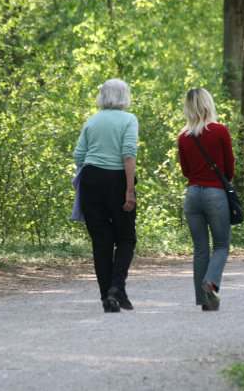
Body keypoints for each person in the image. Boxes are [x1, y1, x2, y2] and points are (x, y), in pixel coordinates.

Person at [74, 79, 138, 313]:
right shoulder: (129, 120)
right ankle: (116, 288)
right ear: (124, 96)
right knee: (126, 238)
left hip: (91, 179)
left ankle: (107, 296)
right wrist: (129, 191)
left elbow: (79, 155)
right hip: (118, 179)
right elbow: (128, 155)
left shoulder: (92, 120)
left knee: (101, 240)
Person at [177, 88, 235, 311]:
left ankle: (205, 302)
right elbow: (229, 168)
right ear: (208, 104)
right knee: (221, 245)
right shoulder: (220, 131)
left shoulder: (183, 136)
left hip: (192, 195)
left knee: (200, 249)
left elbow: (185, 170)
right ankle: (210, 283)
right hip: (215, 194)